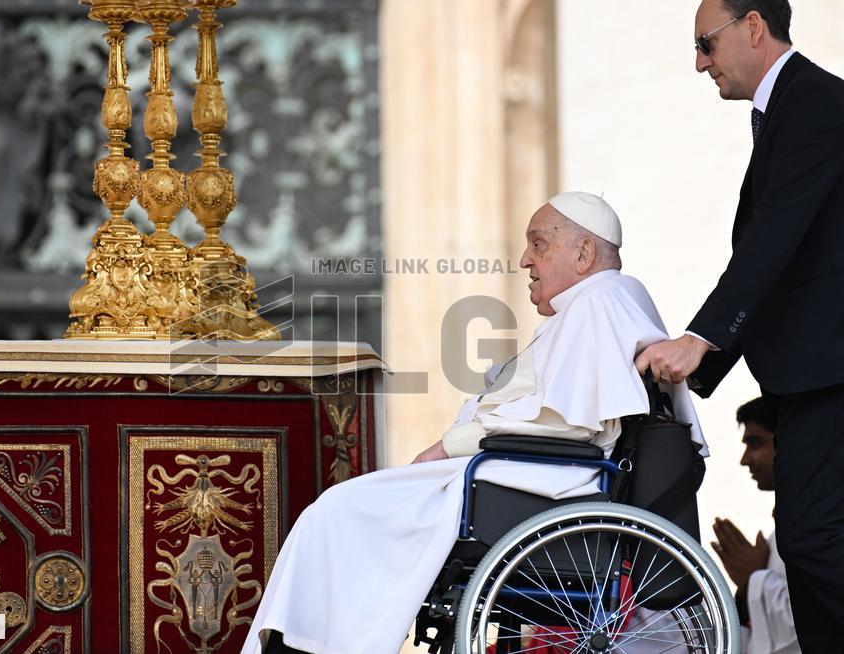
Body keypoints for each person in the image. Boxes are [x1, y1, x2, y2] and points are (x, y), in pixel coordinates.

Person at [242, 192, 707, 654]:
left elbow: (566, 423)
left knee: (340, 510)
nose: (525, 259)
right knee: (343, 509)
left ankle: (311, 645)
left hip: (536, 478)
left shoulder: (600, 302)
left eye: (539, 244)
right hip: (527, 473)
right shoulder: (601, 302)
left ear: (584, 253)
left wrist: (451, 444)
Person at [635, 1, 844, 648]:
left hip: (832, 370)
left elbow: (773, 238)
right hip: (811, 372)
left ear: (753, 26)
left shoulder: (813, 102)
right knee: (813, 545)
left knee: (813, 543)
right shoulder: (789, 110)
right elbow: (780, 262)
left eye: (706, 43)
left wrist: (701, 339)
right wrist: (702, 368)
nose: (699, 62)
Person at [711, 397, 799, 654]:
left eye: (756, 443)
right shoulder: (777, 536)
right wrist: (745, 593)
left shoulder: (828, 524)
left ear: (788, 442)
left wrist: (754, 579)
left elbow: (817, 620)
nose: (745, 459)